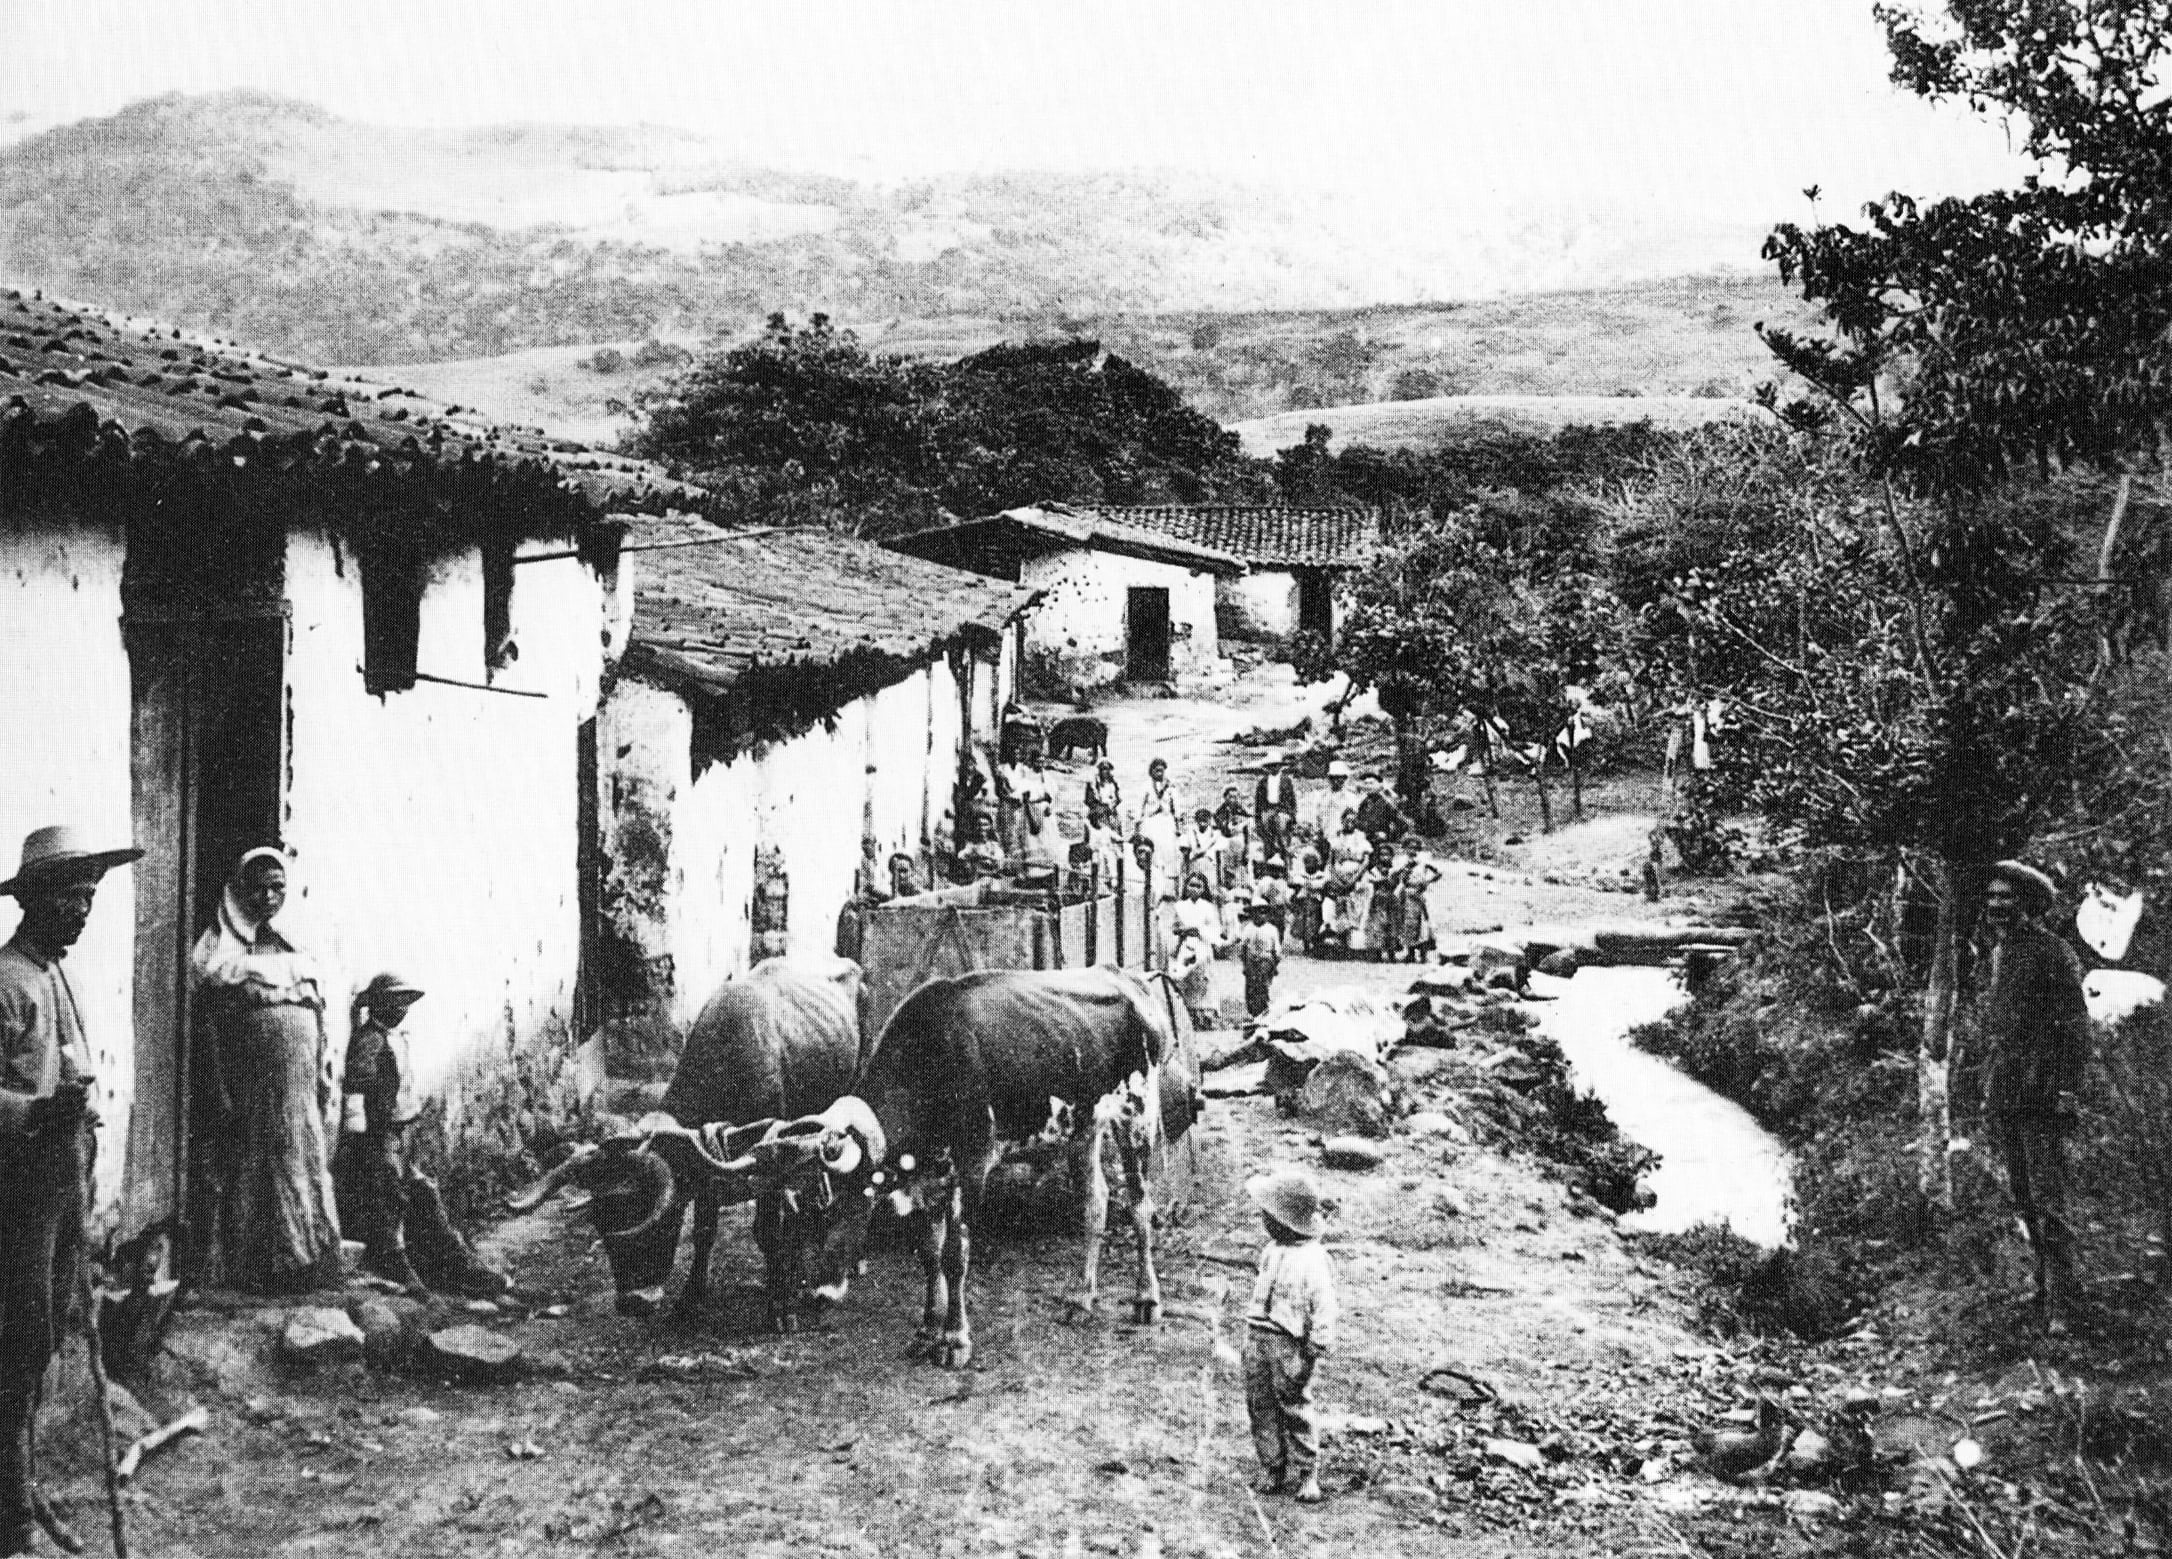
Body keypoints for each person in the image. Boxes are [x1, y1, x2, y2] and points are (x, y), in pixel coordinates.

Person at [0, 825, 138, 1556]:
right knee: (17, 1341)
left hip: (63, 1180)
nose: (82, 910)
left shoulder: (56, 972)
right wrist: (35, 1111)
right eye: (70, 896)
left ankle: (17, 1486)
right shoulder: (7, 980)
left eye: (90, 897)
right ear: (32, 900)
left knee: (46, 1332)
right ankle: (12, 1513)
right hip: (16, 1190)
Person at [191, 846, 342, 1293]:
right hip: (253, 1090)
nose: (270, 896)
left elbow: (317, 1012)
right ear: (240, 888)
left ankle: (304, 1259)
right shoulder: (218, 947)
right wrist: (220, 1085)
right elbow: (209, 1023)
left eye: (278, 887)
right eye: (259, 886)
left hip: (296, 1089)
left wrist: (320, 1069)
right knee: (257, 1167)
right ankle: (258, 1269)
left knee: (300, 1160)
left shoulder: (289, 943)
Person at [334, 973, 508, 1298]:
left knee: (423, 1191)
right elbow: (357, 1085)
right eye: (394, 1004)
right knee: (389, 1197)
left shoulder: (396, 1038)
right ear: (378, 1006)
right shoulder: (369, 1040)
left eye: (404, 1004)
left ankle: (458, 1266)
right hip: (377, 1135)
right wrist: (359, 1130)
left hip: (400, 1133)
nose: (401, 1010)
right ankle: (402, 1271)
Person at [1981, 858, 2093, 1335]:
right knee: (2024, 1198)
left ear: (2027, 904)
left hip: (2042, 1091)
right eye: (1992, 900)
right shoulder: (2000, 952)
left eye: (2006, 899)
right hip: (2007, 1088)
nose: (1997, 907)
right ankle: (2045, 1289)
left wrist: (2067, 1089)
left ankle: (2066, 1303)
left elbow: (2074, 1026)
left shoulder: (2053, 952)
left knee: (2049, 1199)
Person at [1244, 1167, 1337, 1504]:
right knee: (1260, 1405)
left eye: (1268, 1214)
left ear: (1285, 1220)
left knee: (1295, 1406)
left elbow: (1324, 1308)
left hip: (1289, 1344)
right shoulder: (1271, 1251)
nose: (1263, 1219)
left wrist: (1314, 1348)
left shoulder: (1314, 1260)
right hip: (1257, 1336)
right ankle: (1272, 1466)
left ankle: (1306, 1472)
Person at [1394, 836, 1441, 964]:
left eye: (1415, 848)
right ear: (1405, 848)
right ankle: (1410, 953)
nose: (1412, 850)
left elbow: (1438, 872)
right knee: (1409, 923)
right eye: (1409, 847)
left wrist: (1427, 881)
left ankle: (1423, 954)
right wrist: (1404, 869)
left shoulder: (1424, 860)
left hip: (1421, 894)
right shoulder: (1402, 861)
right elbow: (1395, 876)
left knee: (1423, 924)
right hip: (1407, 893)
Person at [1237, 897, 1283, 1022]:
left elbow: (1276, 950)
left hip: (1265, 959)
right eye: (1256, 912)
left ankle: (1263, 1010)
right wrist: (1244, 964)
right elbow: (1243, 947)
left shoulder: (1272, 929)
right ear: (1251, 914)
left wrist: (1275, 964)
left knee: (1263, 985)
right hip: (1251, 960)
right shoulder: (1248, 928)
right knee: (1251, 985)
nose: (1260, 915)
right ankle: (1252, 1011)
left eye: (1263, 912)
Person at [1300, 759, 1351, 841]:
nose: (1337, 780)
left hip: (1343, 837)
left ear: (1345, 779)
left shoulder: (1350, 797)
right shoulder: (1321, 796)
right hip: (1324, 835)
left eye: (1341, 777)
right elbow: (1315, 815)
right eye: (1334, 778)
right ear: (1330, 778)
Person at [1352, 772, 1408, 843]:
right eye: (1366, 783)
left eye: (1371, 783)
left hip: (1379, 845)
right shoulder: (1363, 804)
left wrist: (1388, 836)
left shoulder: (1386, 805)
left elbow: (1403, 825)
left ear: (1379, 786)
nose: (1368, 786)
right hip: (1363, 844)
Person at [1253, 752, 1299, 834]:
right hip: (1268, 809)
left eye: (1275, 765)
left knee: (1280, 825)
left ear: (1280, 766)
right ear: (1267, 767)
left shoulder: (1286, 781)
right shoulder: (1263, 782)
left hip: (1283, 809)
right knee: (1267, 829)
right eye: (1270, 766)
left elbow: (1292, 799)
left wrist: (1293, 815)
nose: (1273, 768)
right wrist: (1258, 819)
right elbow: (1258, 801)